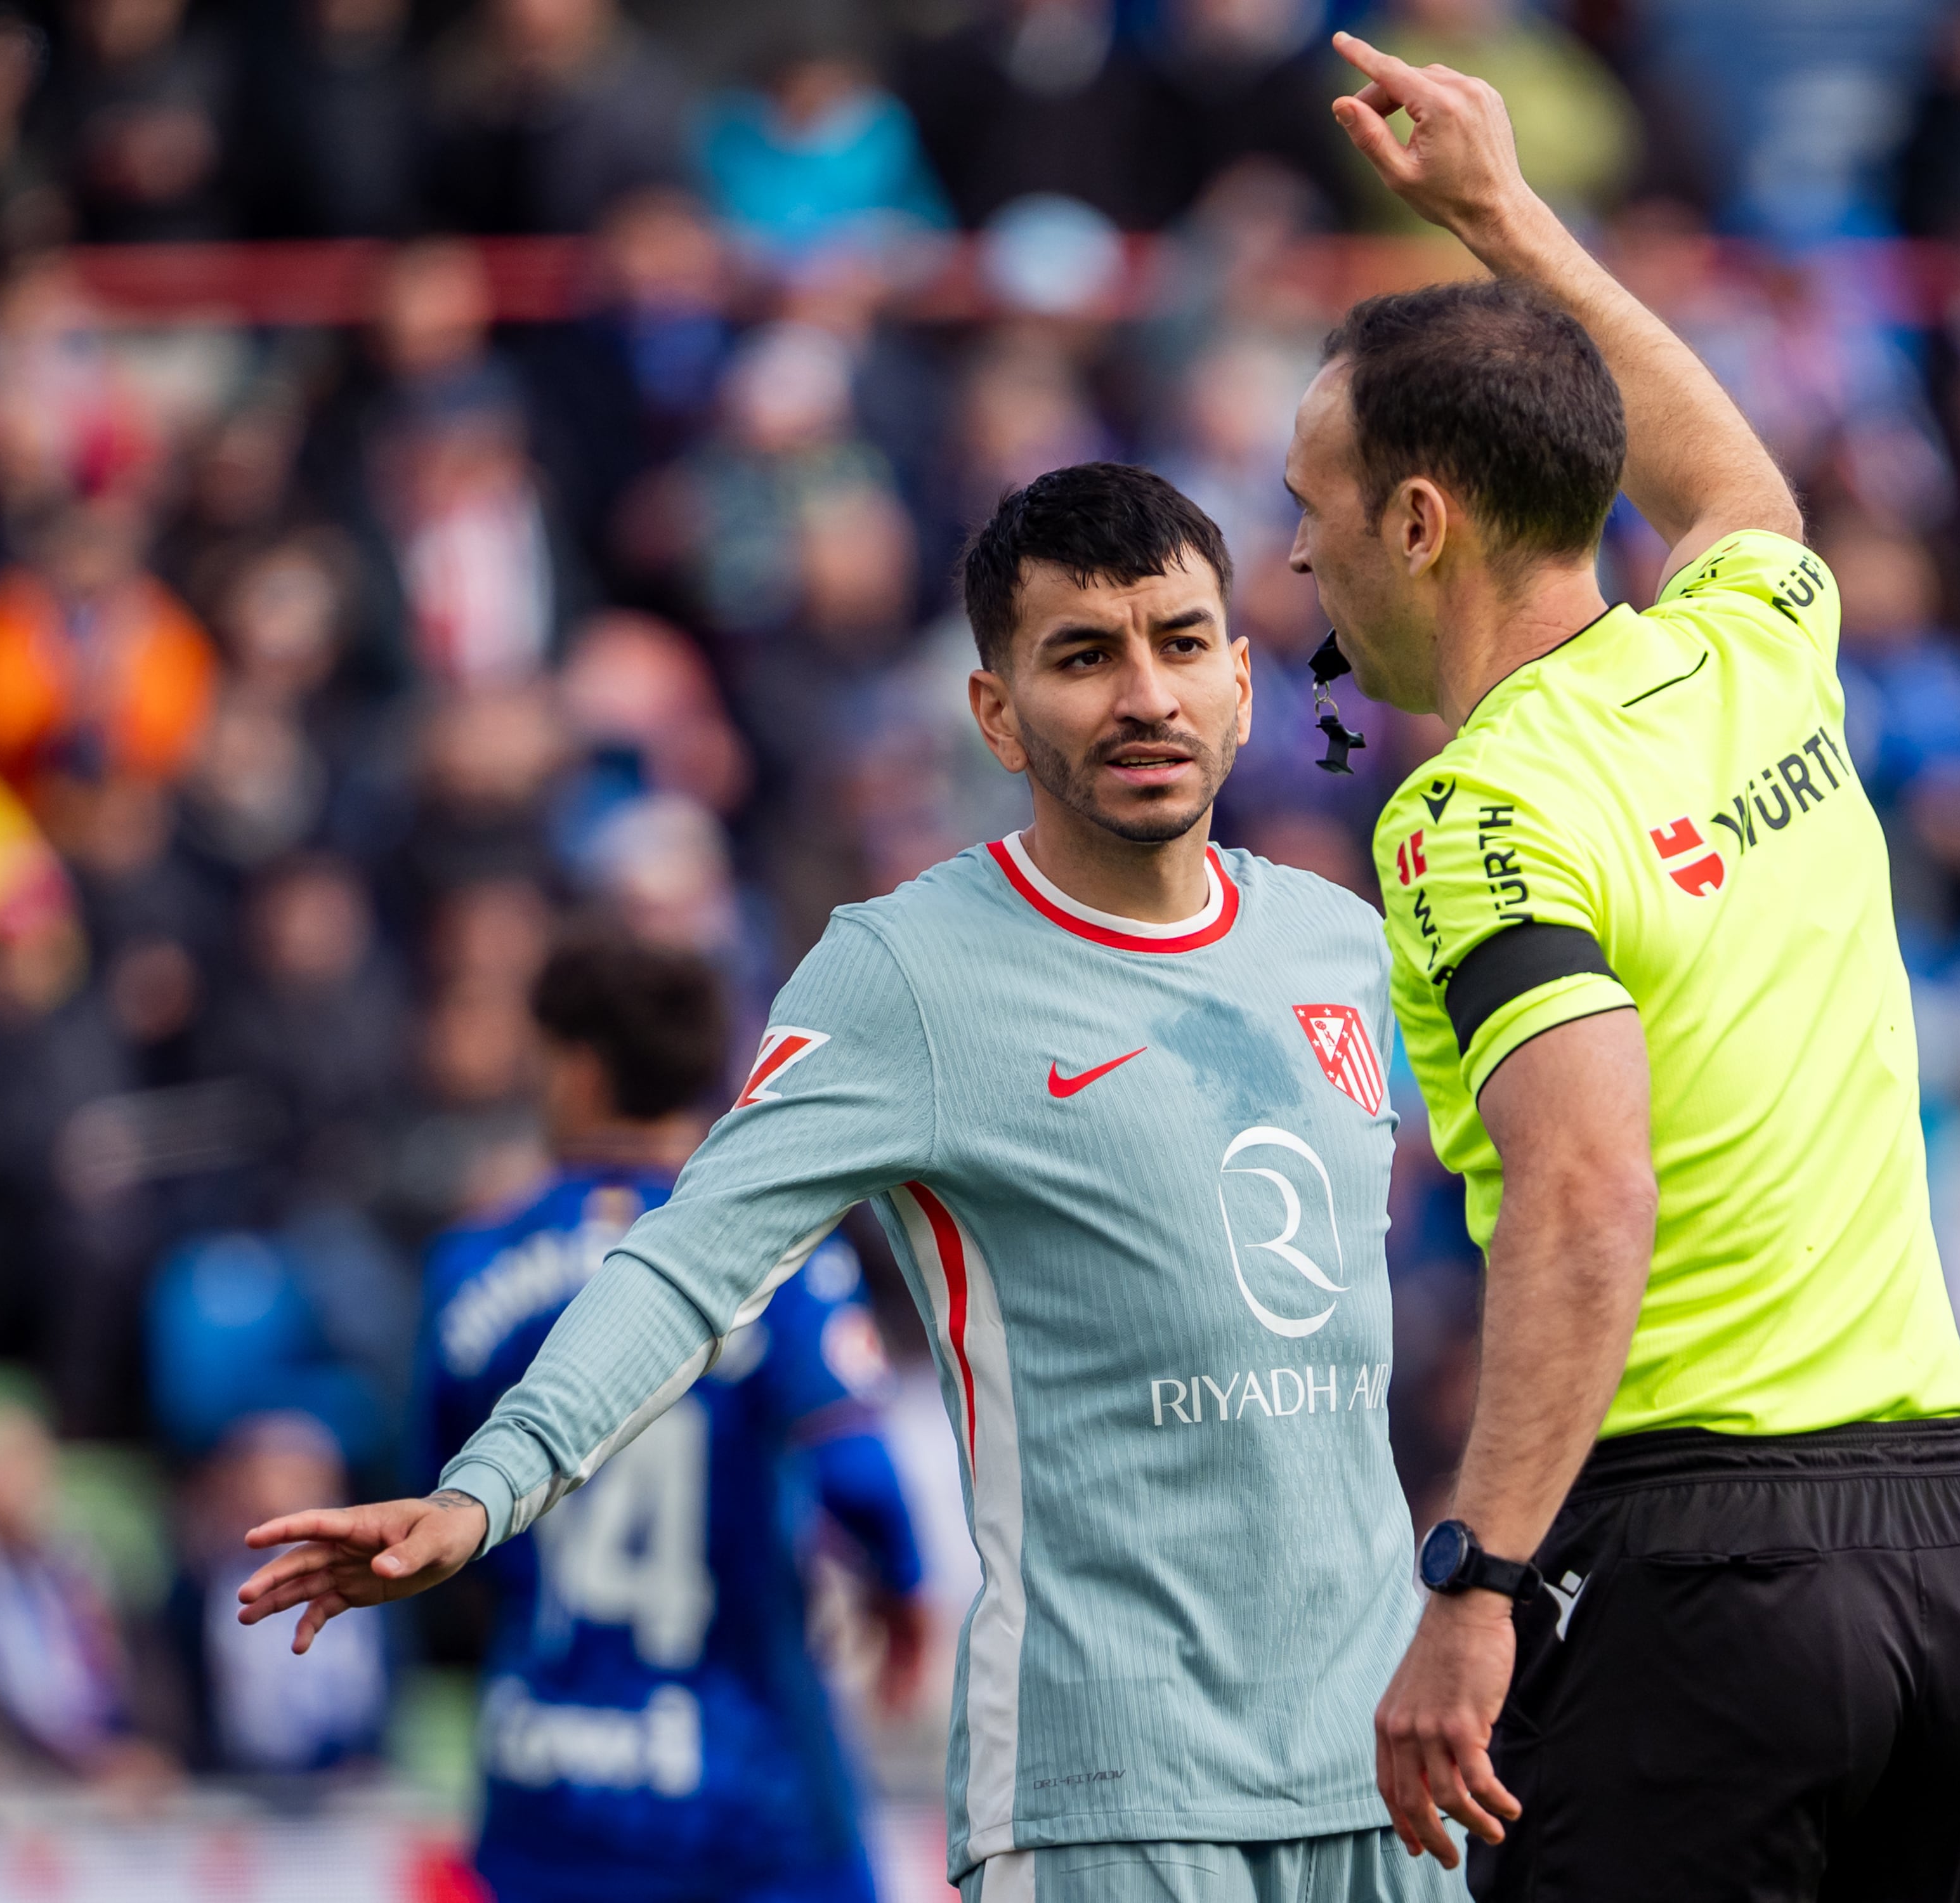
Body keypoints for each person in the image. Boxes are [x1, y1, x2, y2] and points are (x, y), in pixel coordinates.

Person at [239, 463, 1459, 1902]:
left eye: (1180, 643)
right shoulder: (907, 974)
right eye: (1083, 655)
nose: (1146, 694)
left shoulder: (1339, 944)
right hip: (1112, 1799)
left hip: (1379, 1778)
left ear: (1244, 681)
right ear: (994, 712)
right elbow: (693, 1255)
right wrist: (484, 1494)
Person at [1290, 36, 1960, 1896]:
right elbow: (1736, 478)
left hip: (1696, 1593)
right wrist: (1500, 213)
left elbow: (1583, 1193)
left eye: (1309, 509)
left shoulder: (1471, 817)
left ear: (1416, 521)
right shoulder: (1755, 638)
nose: (1293, 560)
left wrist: (1472, 1584)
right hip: (1949, 1582)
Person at [410, 931, 922, 1902]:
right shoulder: (781, 1260)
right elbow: (861, 1480)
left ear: (580, 1068)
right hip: (747, 1787)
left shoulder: (469, 1266)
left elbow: (436, 1514)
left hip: (546, 1781)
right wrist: (906, 1598)